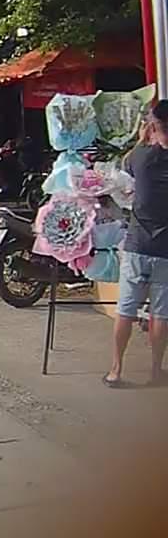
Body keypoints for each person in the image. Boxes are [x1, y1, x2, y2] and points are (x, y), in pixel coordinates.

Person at [107, 102, 168, 387]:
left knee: (126, 308)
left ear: (153, 125)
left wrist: (144, 137)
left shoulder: (141, 156)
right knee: (161, 313)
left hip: (136, 245)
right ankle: (155, 370)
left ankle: (116, 370)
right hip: (165, 250)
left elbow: (124, 166)